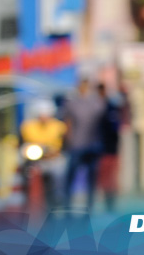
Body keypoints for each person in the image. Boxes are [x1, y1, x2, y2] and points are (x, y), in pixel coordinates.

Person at [62, 78, 105, 211]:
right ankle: (67, 204)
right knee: (71, 176)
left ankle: (90, 205)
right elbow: (67, 122)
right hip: (76, 145)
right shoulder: (72, 103)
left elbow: (102, 122)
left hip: (93, 145)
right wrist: (69, 141)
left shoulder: (97, 102)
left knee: (92, 177)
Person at [19, 99, 67, 211]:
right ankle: (27, 198)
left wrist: (56, 152)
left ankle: (58, 200)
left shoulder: (59, 126)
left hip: (53, 158)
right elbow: (22, 143)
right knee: (26, 173)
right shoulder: (28, 127)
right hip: (35, 159)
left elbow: (65, 144)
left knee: (59, 174)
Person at [96, 83, 123, 212]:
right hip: (98, 150)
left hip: (109, 151)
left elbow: (114, 130)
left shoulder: (110, 108)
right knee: (101, 180)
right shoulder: (96, 108)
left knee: (110, 180)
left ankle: (110, 205)